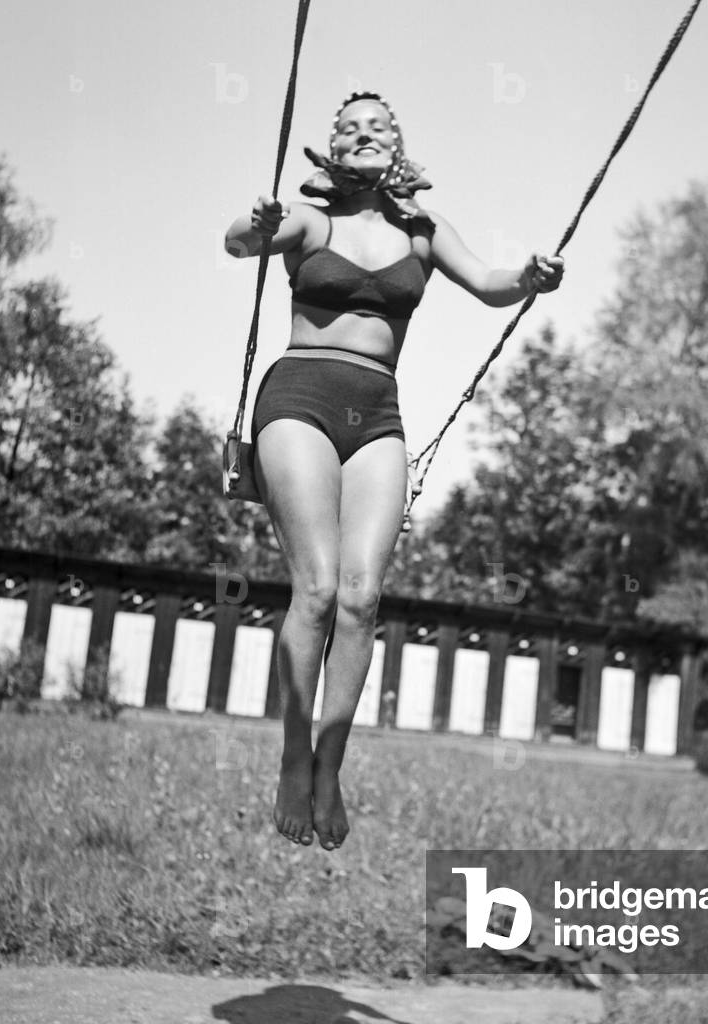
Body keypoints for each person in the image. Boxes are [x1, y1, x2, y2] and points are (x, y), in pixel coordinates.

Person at [224, 90, 564, 851]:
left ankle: (329, 765)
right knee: (314, 588)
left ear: (397, 144)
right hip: (300, 394)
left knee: (361, 596)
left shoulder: (424, 229)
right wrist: (257, 223)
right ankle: (289, 759)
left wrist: (532, 276)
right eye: (349, 127)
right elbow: (239, 244)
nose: (364, 133)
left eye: (378, 125)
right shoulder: (313, 220)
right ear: (334, 150)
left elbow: (488, 284)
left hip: (378, 412)